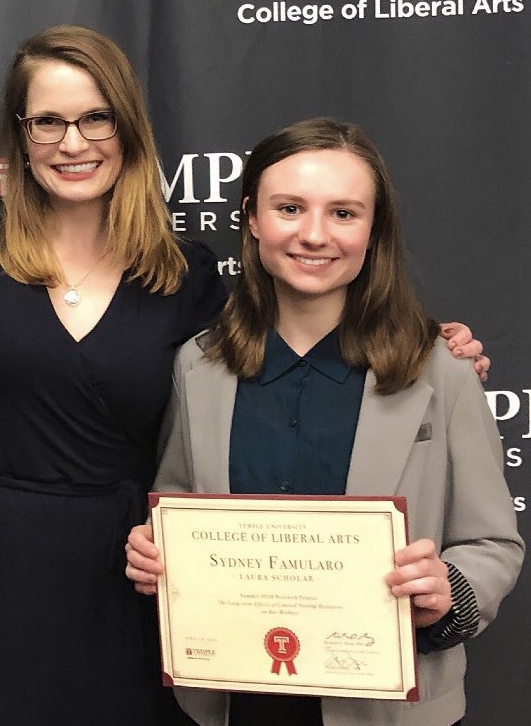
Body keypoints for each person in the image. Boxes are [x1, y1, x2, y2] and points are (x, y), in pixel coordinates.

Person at [0, 29, 488, 726]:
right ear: (20, 134)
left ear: (127, 126)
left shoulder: (183, 277)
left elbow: (286, 341)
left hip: (128, 579)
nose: (73, 142)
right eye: (48, 121)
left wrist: (443, 349)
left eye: (97, 117)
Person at [126, 118, 524, 726]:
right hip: (234, 701)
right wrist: (159, 555)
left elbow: (493, 542)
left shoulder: (440, 369)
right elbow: (179, 505)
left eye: (343, 213)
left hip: (386, 707)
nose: (314, 235)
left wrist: (448, 590)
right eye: (289, 208)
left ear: (373, 230)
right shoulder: (198, 366)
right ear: (252, 219)